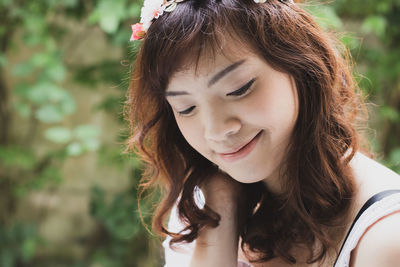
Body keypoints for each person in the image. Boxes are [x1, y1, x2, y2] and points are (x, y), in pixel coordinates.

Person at [125, 0, 400, 266]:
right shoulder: (203, 207)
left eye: (239, 89)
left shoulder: (386, 236)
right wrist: (222, 207)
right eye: (186, 108)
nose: (216, 130)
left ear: (301, 66)